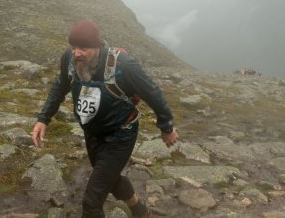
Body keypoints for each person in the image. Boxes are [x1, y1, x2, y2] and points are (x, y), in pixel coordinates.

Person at [31, 20, 179, 218]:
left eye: (83, 48)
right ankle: (139, 209)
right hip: (93, 133)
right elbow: (61, 85)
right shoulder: (69, 58)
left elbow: (153, 93)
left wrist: (167, 127)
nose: (76, 53)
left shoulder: (123, 65)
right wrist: (43, 118)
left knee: (91, 202)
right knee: (110, 178)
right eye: (74, 47)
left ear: (96, 46)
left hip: (120, 136)